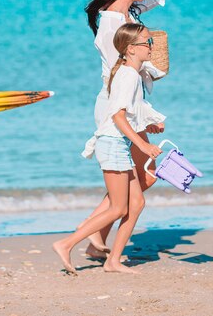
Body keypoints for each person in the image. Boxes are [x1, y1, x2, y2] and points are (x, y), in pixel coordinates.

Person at [53, 24, 165, 274]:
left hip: (119, 144)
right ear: (131, 49)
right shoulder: (127, 75)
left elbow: (133, 109)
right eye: (147, 42)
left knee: (136, 203)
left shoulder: (132, 75)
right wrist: (144, 145)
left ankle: (113, 261)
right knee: (118, 207)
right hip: (112, 144)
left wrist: (152, 123)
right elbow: (117, 116)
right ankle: (65, 243)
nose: (151, 47)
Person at [80, 0, 167, 257]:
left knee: (141, 175)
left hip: (131, 100)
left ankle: (96, 237)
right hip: (117, 103)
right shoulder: (111, 23)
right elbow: (120, 69)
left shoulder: (126, 13)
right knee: (144, 174)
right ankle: (90, 233)